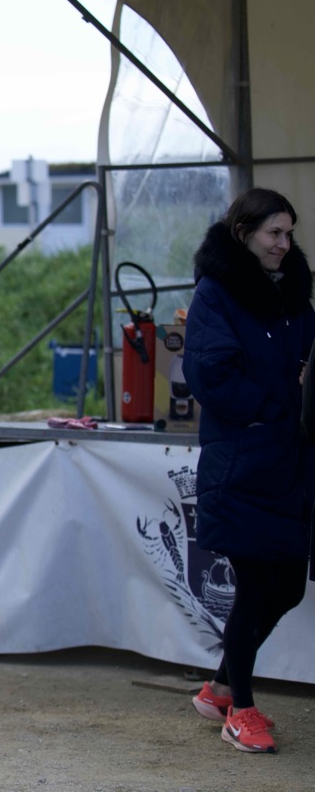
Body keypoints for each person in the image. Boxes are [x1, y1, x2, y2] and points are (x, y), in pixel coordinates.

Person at [182, 187, 314, 755]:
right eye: (274, 233)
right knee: (258, 586)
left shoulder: (294, 291)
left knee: (287, 588)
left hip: (289, 461)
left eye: (289, 233)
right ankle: (241, 709)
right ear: (244, 233)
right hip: (242, 463)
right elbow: (211, 374)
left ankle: (218, 689)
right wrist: (279, 406)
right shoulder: (215, 293)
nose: (285, 243)